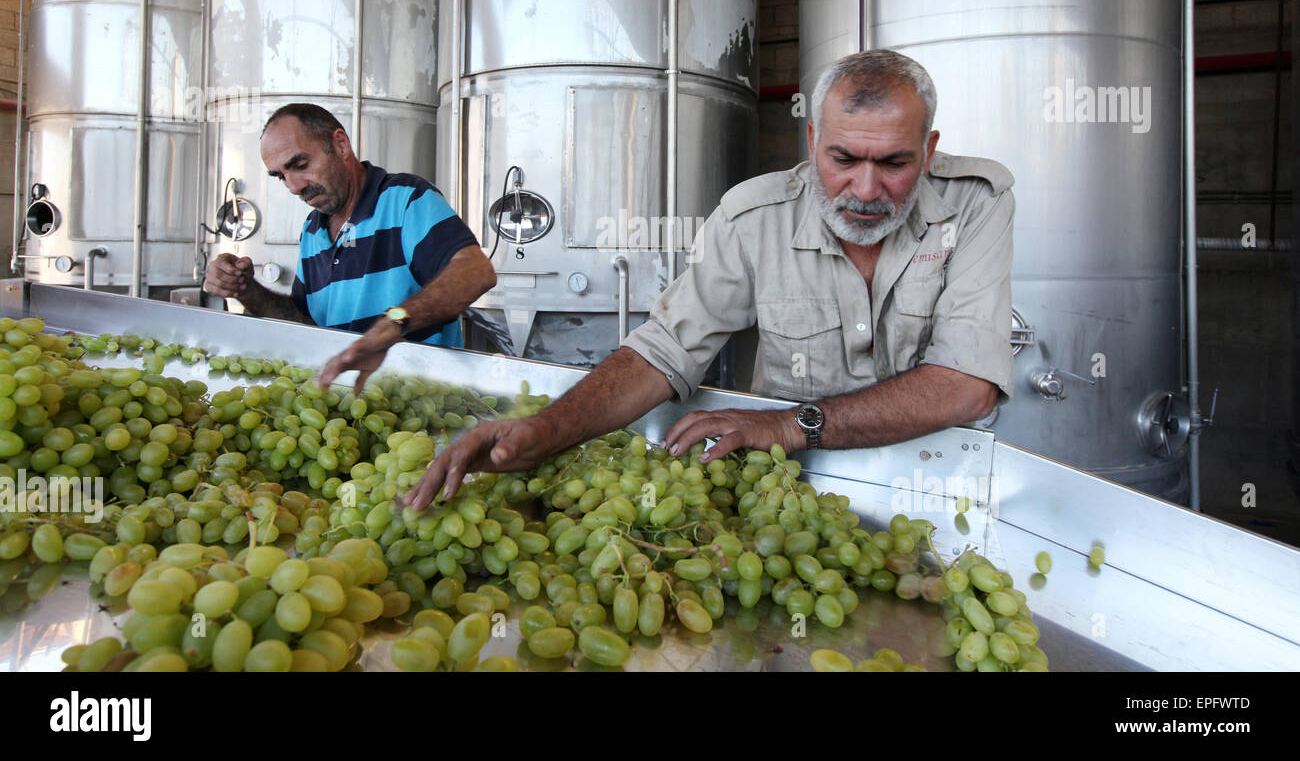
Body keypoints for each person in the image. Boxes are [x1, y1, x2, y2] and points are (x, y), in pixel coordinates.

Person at [404, 50, 1015, 510]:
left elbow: (967, 386)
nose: (864, 190)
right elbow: (665, 349)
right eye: (843, 159)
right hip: (784, 497)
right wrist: (546, 430)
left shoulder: (976, 205)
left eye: (894, 164)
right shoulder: (754, 215)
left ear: (929, 152)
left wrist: (789, 424)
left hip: (936, 488)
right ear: (812, 141)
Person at [203, 103, 496, 390]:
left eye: (300, 165)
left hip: (419, 407)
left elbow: (475, 272)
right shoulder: (312, 229)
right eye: (281, 176)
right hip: (345, 408)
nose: (294, 186)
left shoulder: (405, 199)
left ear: (341, 144)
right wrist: (245, 290)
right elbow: (305, 324)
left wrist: (395, 322)